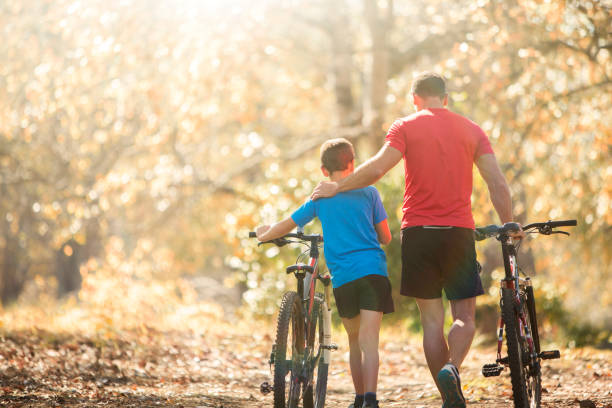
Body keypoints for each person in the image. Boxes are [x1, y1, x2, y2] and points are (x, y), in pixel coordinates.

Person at [310, 72, 523, 408]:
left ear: (415, 99)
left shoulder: (405, 126)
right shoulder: (472, 130)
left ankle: (448, 398)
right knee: (464, 317)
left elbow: (378, 168)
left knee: (431, 322)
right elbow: (496, 182)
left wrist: (338, 186)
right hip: (457, 233)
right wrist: (509, 222)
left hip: (418, 233)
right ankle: (453, 368)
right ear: (446, 98)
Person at [256, 138, 394, 408]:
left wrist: (265, 233)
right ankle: (371, 400)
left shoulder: (320, 198)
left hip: (344, 278)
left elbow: (288, 223)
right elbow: (386, 237)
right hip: (373, 272)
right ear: (353, 163)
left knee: (354, 342)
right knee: (370, 342)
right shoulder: (370, 192)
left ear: (323, 171)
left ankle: (357, 398)